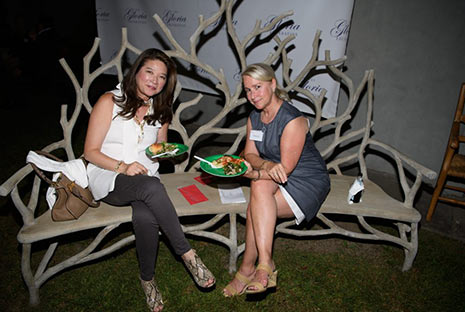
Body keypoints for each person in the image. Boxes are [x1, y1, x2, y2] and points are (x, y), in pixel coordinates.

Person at [84, 48, 215, 312]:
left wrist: (167, 152)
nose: (155, 80)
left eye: (162, 77)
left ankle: (147, 280)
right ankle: (188, 255)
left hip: (147, 181)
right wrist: (122, 166)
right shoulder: (109, 101)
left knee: (145, 216)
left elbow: (159, 148)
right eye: (149, 72)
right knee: (151, 187)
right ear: (137, 72)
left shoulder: (160, 109)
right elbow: (90, 151)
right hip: (109, 176)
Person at [223, 63, 330, 297]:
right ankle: (262, 265)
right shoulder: (255, 117)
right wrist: (264, 166)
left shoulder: (292, 119)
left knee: (255, 207)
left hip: (305, 180)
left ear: (272, 84)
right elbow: (250, 153)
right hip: (276, 175)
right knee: (258, 194)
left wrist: (259, 171)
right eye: (248, 90)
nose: (253, 95)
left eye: (258, 87)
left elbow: (286, 168)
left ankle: (250, 268)